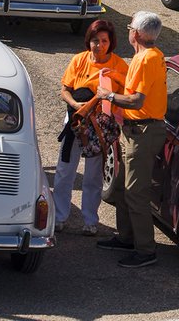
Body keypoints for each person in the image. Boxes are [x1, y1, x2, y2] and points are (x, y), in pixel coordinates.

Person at [96, 11, 168, 268]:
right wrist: (118, 79)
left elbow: (137, 100)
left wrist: (109, 95)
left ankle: (145, 250)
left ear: (135, 33)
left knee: (135, 192)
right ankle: (127, 238)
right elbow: (139, 87)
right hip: (136, 130)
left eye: (129, 28)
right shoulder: (153, 56)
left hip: (143, 132)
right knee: (122, 186)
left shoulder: (145, 60)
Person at [54, 19, 128, 236]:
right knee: (65, 170)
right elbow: (65, 90)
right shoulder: (79, 60)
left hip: (100, 127)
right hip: (76, 121)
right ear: (89, 41)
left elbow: (127, 94)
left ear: (111, 42)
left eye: (104, 41)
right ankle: (59, 217)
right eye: (95, 40)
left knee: (94, 175)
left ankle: (90, 220)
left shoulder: (119, 65)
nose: (99, 45)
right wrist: (77, 106)